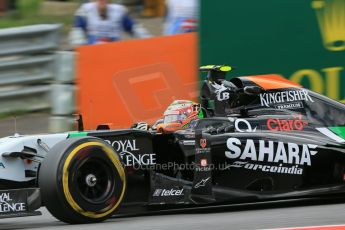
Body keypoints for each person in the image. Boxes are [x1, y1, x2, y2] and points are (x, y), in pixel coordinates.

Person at [70, 0, 151, 46]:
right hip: (92, 48)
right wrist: (80, 47)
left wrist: (149, 41)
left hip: (114, 48)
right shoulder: (85, 10)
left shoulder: (118, 11)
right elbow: (77, 31)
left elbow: (134, 27)